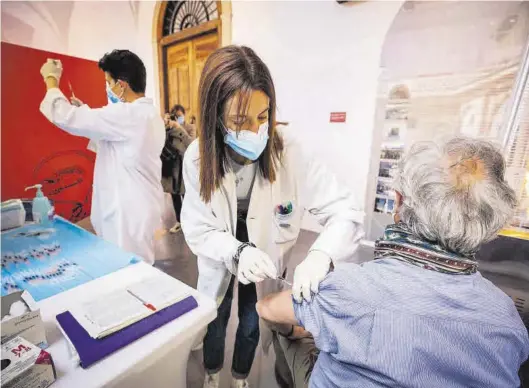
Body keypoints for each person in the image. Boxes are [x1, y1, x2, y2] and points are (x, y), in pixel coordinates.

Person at [256, 137, 529, 388]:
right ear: (487, 222)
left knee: (295, 334)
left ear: (398, 201)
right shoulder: (508, 320)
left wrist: (305, 324)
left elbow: (267, 307)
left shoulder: (351, 288)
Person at [180, 45, 364, 388]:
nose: (254, 131)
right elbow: (197, 227)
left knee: (253, 317)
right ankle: (211, 373)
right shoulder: (196, 158)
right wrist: (236, 251)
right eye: (239, 120)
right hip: (223, 244)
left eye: (262, 117)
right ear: (214, 115)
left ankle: (239, 377)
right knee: (216, 316)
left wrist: (322, 255)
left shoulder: (288, 149)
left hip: (265, 248)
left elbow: (347, 210)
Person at [39, 51, 165, 264]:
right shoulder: (148, 115)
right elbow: (112, 141)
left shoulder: (129, 115)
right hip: (138, 208)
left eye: (108, 82)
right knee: (134, 268)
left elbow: (65, 116)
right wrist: (86, 112)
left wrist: (51, 81)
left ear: (121, 85)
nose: (107, 87)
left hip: (127, 215)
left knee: (128, 272)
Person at [161, 104, 196, 233]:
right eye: (176, 117)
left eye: (180, 116)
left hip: (185, 165)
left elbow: (191, 143)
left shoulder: (189, 127)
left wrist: (179, 127)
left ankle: (190, 222)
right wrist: (165, 127)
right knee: (175, 195)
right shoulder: (167, 129)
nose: (178, 119)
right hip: (172, 166)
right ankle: (179, 221)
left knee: (187, 195)